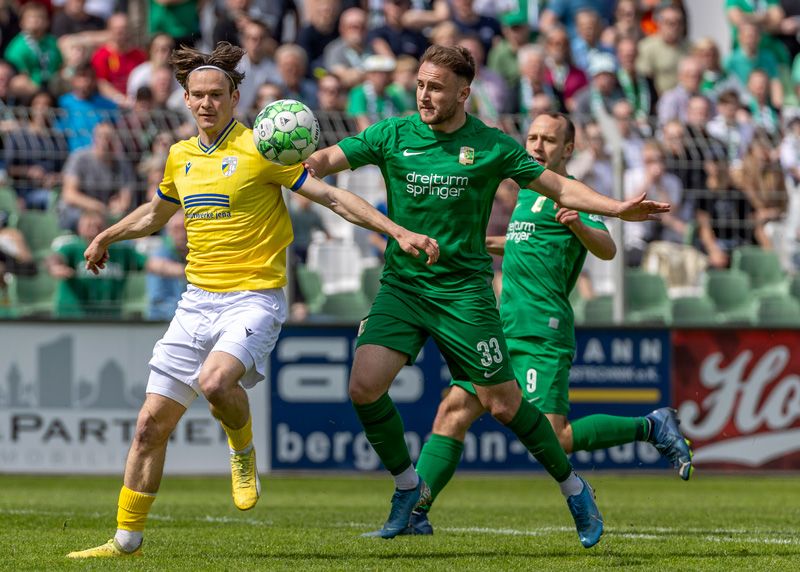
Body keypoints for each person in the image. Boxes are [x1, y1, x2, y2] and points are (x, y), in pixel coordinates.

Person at [65, 41, 439, 559]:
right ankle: (124, 539)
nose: (205, 104)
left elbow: (332, 196)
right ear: (186, 99)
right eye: (196, 95)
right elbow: (156, 215)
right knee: (150, 425)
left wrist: (395, 230)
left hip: (253, 298)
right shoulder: (180, 156)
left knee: (216, 381)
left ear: (235, 97)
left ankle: (241, 448)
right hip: (195, 301)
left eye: (215, 95)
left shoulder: (264, 149)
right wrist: (107, 236)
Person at [305, 44, 669, 546]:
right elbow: (327, 158)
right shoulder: (392, 133)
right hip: (404, 286)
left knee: (502, 405)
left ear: (464, 93)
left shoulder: (492, 145)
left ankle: (574, 488)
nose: (425, 95)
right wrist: (305, 158)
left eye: (436, 87)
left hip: (464, 294)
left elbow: (559, 188)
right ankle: (408, 489)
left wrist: (616, 208)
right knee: (363, 386)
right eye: (420, 85)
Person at [408, 112, 693, 536]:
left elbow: (608, 249)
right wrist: (475, 243)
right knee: (452, 411)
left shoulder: (573, 195)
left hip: (542, 330)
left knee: (555, 436)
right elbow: (527, 238)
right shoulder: (526, 191)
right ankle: (414, 514)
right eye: (532, 137)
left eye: (548, 140)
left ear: (568, 150)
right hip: (500, 328)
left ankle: (651, 427)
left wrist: (579, 223)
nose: (537, 146)